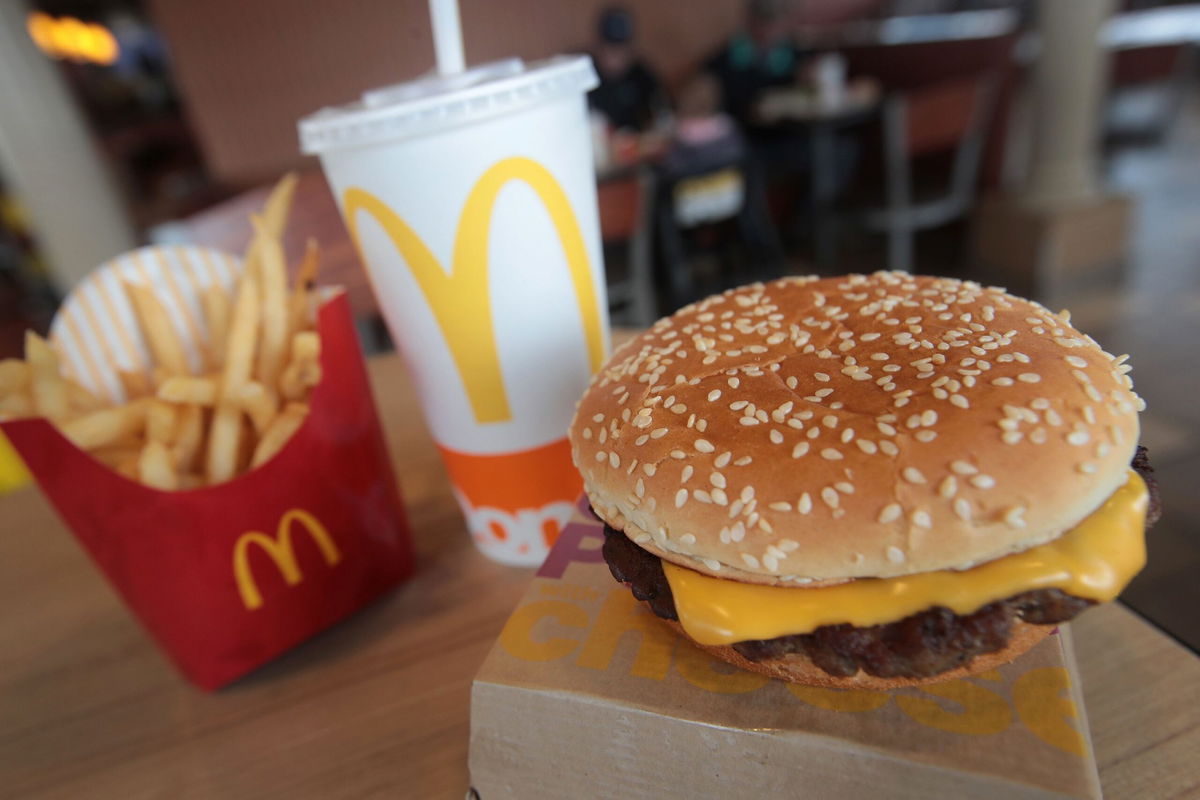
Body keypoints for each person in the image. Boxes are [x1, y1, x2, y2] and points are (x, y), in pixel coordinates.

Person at [588, 6, 667, 133]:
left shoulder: (640, 74)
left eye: (621, 49)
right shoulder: (585, 75)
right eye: (610, 49)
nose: (616, 57)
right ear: (598, 46)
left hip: (637, 147)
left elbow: (663, 110)